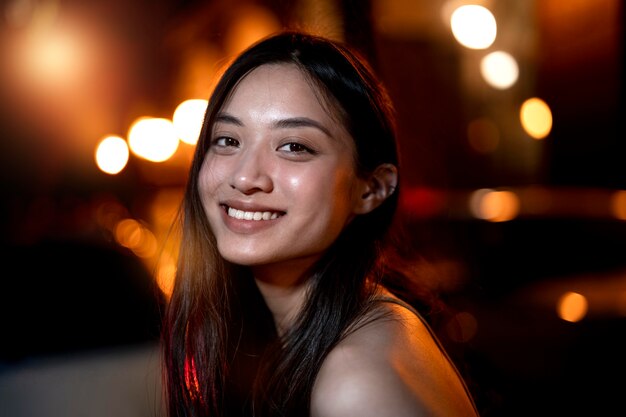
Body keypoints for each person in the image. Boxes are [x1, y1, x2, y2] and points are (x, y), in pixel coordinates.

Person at [161, 30, 480, 417]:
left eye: (294, 146)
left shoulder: (356, 381)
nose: (245, 178)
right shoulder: (309, 331)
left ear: (371, 189)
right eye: (227, 140)